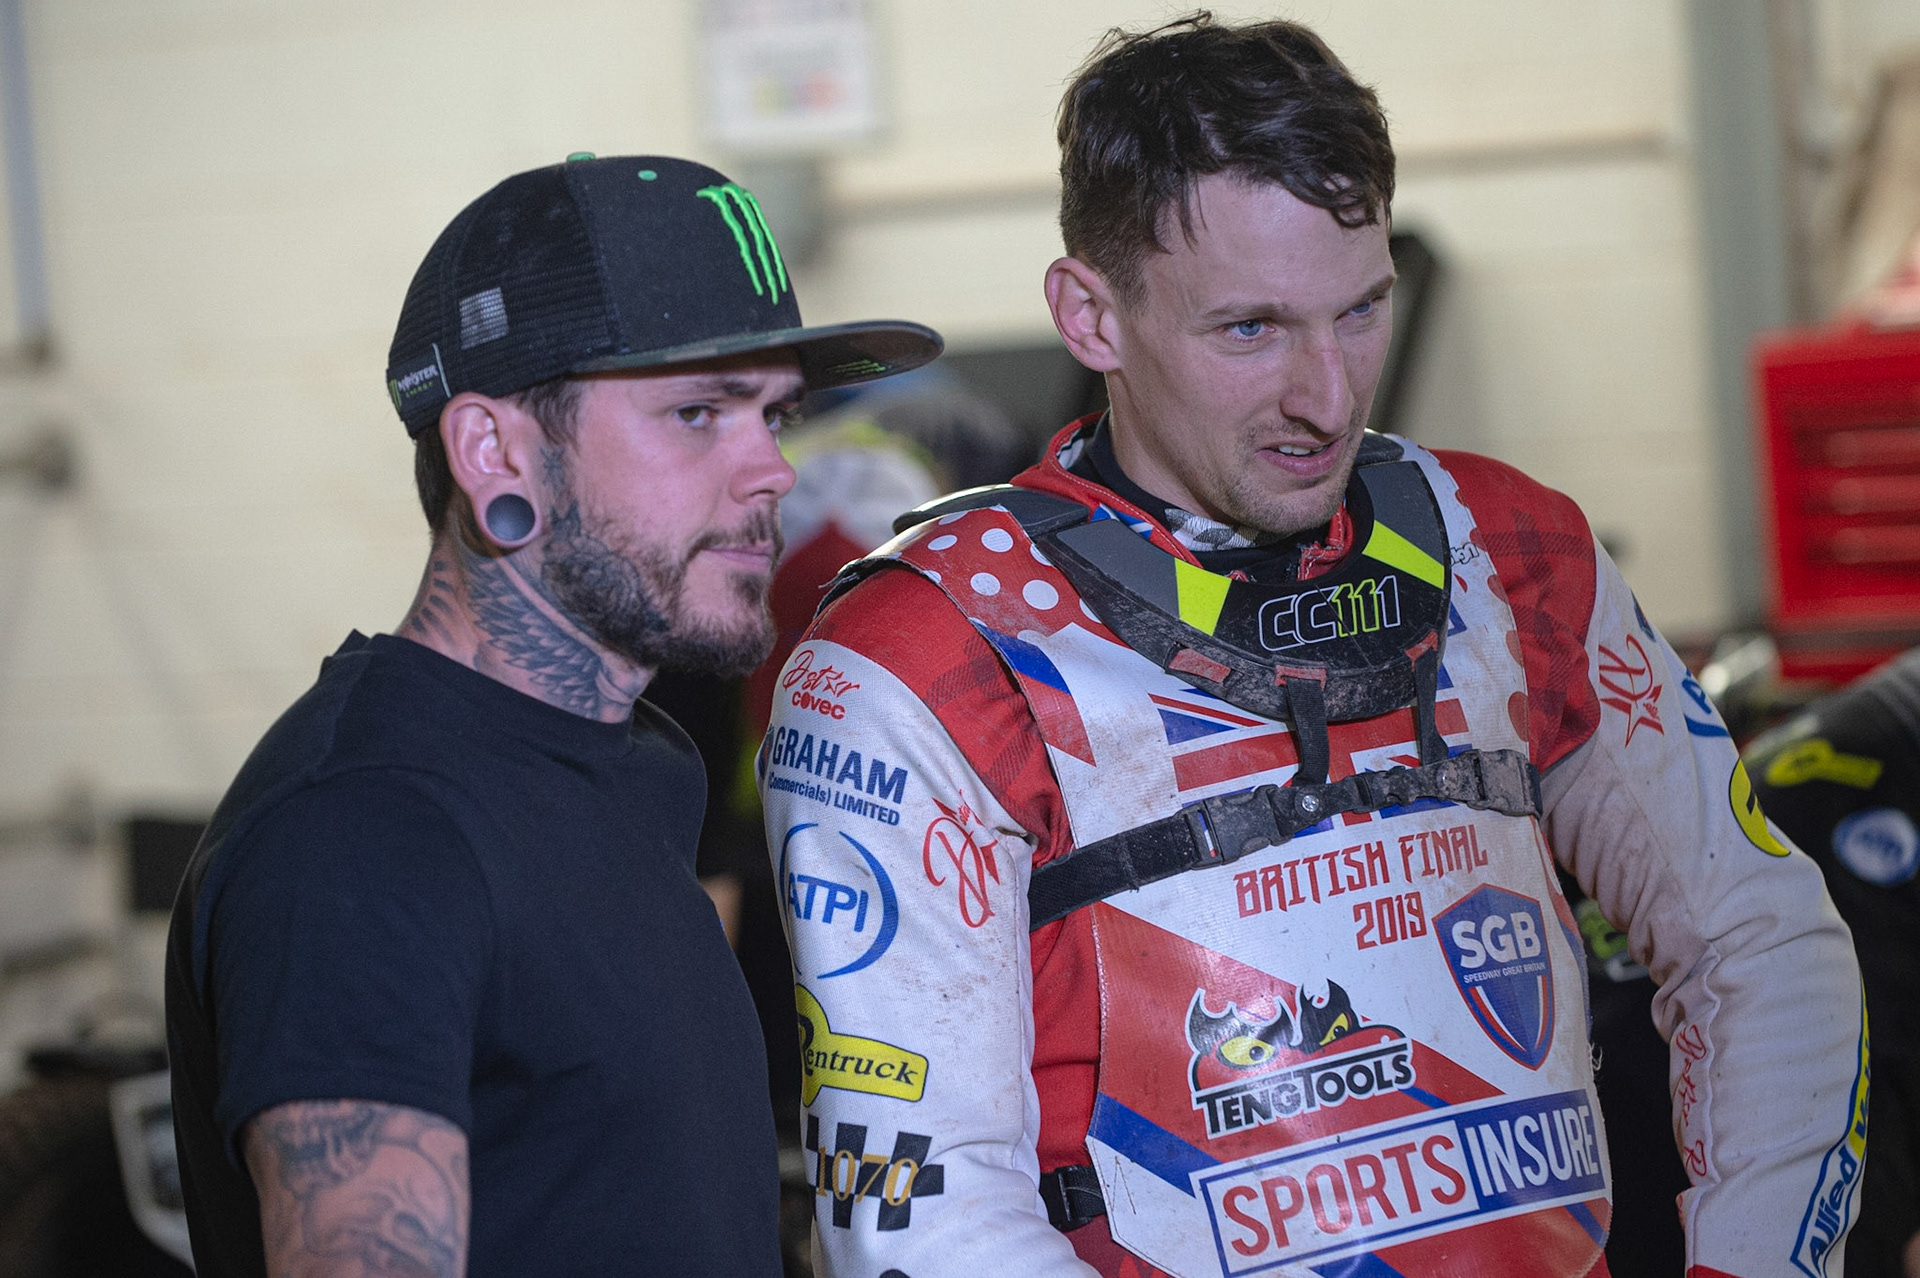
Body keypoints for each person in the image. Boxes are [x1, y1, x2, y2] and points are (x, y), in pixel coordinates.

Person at [759, 17, 1866, 1278]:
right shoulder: (924, 649)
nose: (1327, 396)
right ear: (1090, 315)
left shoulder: (1512, 545)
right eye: (1249, 330)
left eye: (1360, 311)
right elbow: (924, 1208)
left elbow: (1761, 942)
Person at [164, 154, 940, 1277]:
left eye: (775, 414)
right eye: (697, 414)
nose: (771, 469)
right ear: (494, 453)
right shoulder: (367, 836)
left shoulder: (638, 766)